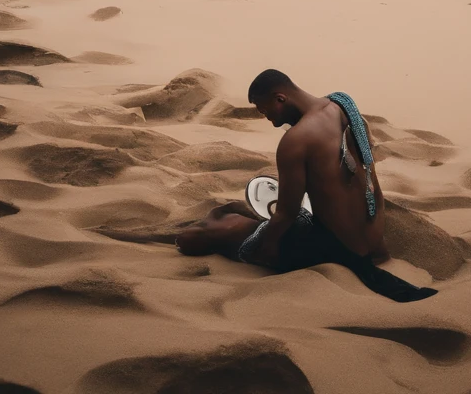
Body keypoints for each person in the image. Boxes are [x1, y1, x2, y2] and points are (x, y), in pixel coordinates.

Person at [175, 69, 437, 302]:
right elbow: (367, 174)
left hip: (339, 249)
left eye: (265, 111)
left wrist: (266, 249)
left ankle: (210, 227)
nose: (267, 119)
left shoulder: (296, 141)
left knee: (196, 237)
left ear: (280, 99)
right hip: (374, 238)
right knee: (240, 215)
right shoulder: (345, 106)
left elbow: (287, 214)